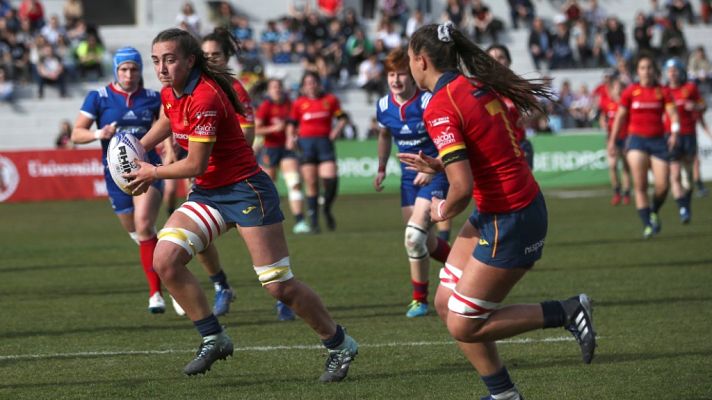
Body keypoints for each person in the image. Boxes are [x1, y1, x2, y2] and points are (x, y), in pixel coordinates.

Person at [125, 28, 359, 379]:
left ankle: (340, 343)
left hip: (246, 191)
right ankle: (213, 337)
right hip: (209, 193)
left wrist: (152, 171)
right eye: (156, 60)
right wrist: (137, 147)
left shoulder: (204, 96)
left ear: (190, 61)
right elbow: (167, 119)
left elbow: (195, 165)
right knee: (166, 260)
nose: (161, 67)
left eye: (170, 60)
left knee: (278, 285)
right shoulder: (171, 91)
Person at [399, 23, 596, 400]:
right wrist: (441, 166)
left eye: (409, 60)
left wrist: (441, 209)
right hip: (501, 209)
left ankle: (568, 311)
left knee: (464, 324)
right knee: (445, 303)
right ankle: (504, 394)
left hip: (511, 217)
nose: (410, 67)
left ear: (421, 61)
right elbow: (486, 153)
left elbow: (462, 190)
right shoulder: (472, 86)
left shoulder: (442, 104)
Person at [71, 47, 168, 313]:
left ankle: (155, 294)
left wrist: (169, 155)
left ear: (140, 71)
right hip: (115, 176)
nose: (129, 74)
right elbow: (76, 134)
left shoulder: (153, 97)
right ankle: (171, 272)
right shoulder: (99, 97)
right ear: (116, 70)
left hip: (147, 170)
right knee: (140, 234)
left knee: (144, 223)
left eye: (134, 69)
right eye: (123, 69)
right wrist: (98, 133)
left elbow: (168, 127)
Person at [373, 47, 452, 318]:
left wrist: (433, 167)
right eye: (391, 75)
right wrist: (382, 167)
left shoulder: (429, 101)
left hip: (436, 173)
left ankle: (419, 300)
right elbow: (384, 135)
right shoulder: (383, 106)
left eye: (402, 74)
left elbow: (448, 136)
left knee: (413, 236)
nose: (396, 80)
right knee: (424, 242)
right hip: (408, 179)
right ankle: (462, 266)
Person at [610, 53, 680, 239]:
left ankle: (654, 210)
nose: (646, 71)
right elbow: (620, 117)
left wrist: (675, 132)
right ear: (638, 71)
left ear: (654, 70)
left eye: (649, 67)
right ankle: (647, 224)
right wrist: (612, 141)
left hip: (658, 141)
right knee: (640, 185)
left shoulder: (663, 91)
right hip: (636, 141)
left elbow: (673, 114)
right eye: (642, 68)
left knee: (663, 186)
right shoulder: (631, 91)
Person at [286, 71, 348, 233]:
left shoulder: (330, 100)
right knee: (311, 183)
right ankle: (313, 221)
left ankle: (326, 208)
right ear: (303, 87)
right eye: (307, 83)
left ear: (319, 84)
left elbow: (342, 118)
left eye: (313, 82)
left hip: (324, 144)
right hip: (306, 146)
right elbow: (292, 124)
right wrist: (289, 138)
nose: (311, 86)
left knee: (331, 179)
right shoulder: (299, 103)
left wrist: (336, 130)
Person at [663, 58, 706, 223]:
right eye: (669, 70)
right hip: (671, 136)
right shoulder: (664, 91)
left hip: (688, 134)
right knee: (674, 175)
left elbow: (703, 105)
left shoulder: (690, 88)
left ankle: (686, 204)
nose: (672, 73)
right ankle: (682, 209)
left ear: (680, 72)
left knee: (688, 176)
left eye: (675, 70)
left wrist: (694, 106)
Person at [486, 44, 534, 169]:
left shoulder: (518, 86)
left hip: (519, 146)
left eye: (501, 57)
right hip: (492, 150)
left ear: (509, 61)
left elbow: (538, 108)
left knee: (525, 187)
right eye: (491, 58)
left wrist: (529, 118)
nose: (496, 61)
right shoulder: (480, 88)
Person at [599, 78, 631, 206]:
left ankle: (627, 193)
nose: (617, 90)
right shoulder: (608, 103)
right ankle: (617, 192)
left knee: (625, 167)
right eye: (615, 87)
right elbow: (603, 116)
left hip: (625, 137)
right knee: (612, 166)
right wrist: (603, 124)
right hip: (612, 138)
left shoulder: (625, 104)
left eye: (619, 87)